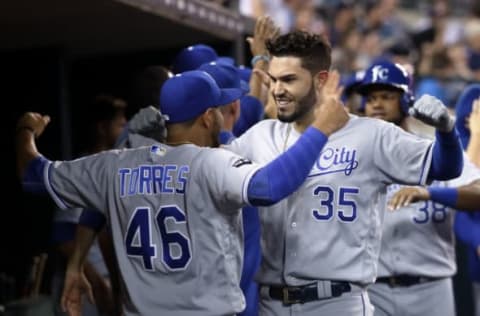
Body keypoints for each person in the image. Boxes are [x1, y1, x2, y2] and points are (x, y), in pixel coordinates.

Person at [15, 69, 350, 316]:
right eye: (217, 108)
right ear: (207, 117)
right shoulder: (210, 164)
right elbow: (269, 186)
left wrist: (25, 130)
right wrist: (321, 128)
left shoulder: (114, 166)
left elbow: (33, 175)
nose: (221, 114)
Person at [223, 30, 463, 316]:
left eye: (288, 80)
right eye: (273, 80)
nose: (277, 90)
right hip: (271, 303)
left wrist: (447, 131)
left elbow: (444, 167)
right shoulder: (259, 136)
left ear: (320, 80)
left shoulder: (370, 134)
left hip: (337, 302)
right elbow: (207, 170)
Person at [357, 60, 479, 316]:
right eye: (370, 98)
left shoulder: (438, 155)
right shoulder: (354, 158)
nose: (377, 104)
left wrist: (430, 192)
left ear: (405, 100)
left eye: (386, 96)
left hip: (431, 288)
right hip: (372, 289)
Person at [50, 94, 127, 316]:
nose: (125, 129)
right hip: (85, 286)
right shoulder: (83, 171)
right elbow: (64, 237)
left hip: (105, 282)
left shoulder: (117, 169)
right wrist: (96, 281)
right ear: (103, 128)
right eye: (120, 124)